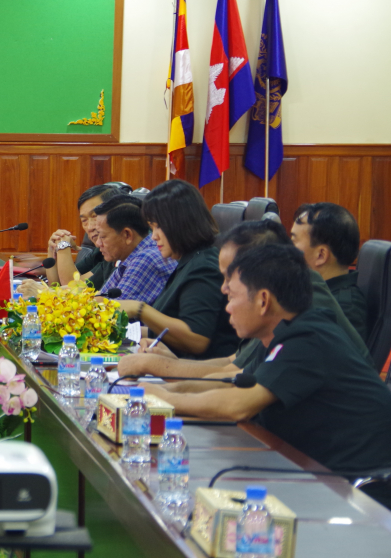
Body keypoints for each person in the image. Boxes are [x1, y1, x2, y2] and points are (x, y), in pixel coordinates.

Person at [140, 245, 391, 509]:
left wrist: (164, 398)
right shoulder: (280, 336)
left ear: (262, 300)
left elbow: (237, 405)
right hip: (319, 477)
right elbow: (229, 383)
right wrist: (169, 389)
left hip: (364, 494)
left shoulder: (309, 339)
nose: (227, 309)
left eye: (232, 297)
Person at [119, 219, 370, 379]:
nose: (224, 288)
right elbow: (232, 364)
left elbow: (236, 382)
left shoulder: (302, 298)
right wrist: (169, 363)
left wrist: (158, 373)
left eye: (230, 277)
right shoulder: (274, 296)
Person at [116, 179, 240, 360]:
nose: (154, 237)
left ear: (180, 223)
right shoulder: (188, 261)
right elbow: (168, 327)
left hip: (200, 376)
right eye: (151, 228)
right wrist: (116, 332)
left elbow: (196, 339)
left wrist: (139, 309)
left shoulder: (204, 267)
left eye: (158, 227)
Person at [291, 203, 368, 341]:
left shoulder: (344, 309)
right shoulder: (311, 292)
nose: (287, 249)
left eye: (293, 241)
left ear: (321, 255)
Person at [35, 184, 122, 292]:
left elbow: (72, 288)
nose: (90, 227)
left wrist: (63, 245)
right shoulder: (101, 252)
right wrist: (52, 248)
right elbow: (56, 285)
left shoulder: (119, 253)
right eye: (84, 220)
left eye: (94, 216)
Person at [92, 195, 176, 303]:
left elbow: (113, 313)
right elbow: (99, 299)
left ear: (127, 235)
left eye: (102, 236)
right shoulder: (130, 257)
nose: (98, 243)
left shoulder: (147, 258)